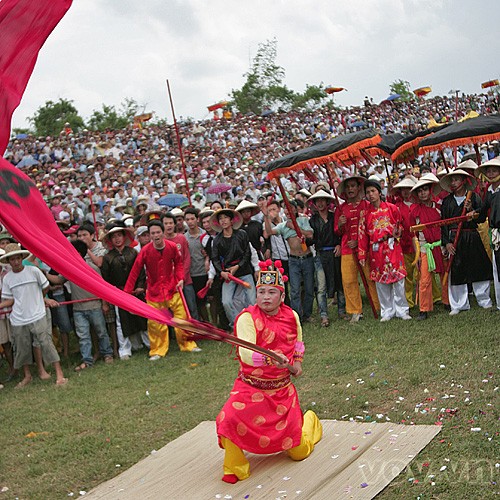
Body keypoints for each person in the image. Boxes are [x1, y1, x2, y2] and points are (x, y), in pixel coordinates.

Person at [216, 260, 322, 484]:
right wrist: (271, 357)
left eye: (271, 292)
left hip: (282, 393)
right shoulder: (247, 318)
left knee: (299, 453)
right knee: (228, 419)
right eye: (261, 291)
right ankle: (235, 466)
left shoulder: (291, 316)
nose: (265, 297)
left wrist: (295, 364)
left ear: (281, 296)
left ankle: (309, 421)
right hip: (250, 388)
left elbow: (298, 347)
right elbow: (246, 354)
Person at [124, 220, 200, 359]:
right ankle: (158, 350)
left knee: (182, 318)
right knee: (155, 323)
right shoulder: (145, 251)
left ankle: (188, 345)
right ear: (150, 235)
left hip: (173, 289)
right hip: (154, 292)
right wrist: (127, 292)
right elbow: (135, 270)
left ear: (163, 233)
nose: (156, 235)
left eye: (158, 232)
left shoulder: (171, 247)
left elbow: (178, 263)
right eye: (153, 233)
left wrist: (180, 278)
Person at [0, 244, 67, 388]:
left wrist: (40, 300)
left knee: (47, 343)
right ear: (9, 261)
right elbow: (10, 299)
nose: (16, 262)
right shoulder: (7, 279)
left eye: (18, 258)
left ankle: (59, 374)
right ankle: (27, 375)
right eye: (12, 259)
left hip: (37, 313)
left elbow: (45, 287)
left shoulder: (33, 271)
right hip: (18, 317)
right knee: (21, 347)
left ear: (22, 258)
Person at [46, 240, 114, 370]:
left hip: (94, 305)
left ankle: (107, 354)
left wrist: (104, 304)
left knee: (101, 332)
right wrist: (44, 273)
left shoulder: (92, 268)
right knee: (83, 336)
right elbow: (58, 280)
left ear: (78, 253)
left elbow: (102, 287)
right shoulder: (69, 269)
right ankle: (87, 360)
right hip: (78, 309)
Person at [439, 169, 493, 315]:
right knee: (456, 270)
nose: (453, 183)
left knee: (478, 266)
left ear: (463, 181)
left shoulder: (473, 197)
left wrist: (472, 210)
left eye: (456, 180)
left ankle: (483, 299)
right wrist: (447, 243)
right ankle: (459, 303)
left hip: (471, 235)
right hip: (454, 238)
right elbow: (443, 224)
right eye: (452, 180)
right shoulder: (447, 202)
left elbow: (481, 215)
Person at [358, 180, 411, 322]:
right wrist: (362, 253)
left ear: (379, 192)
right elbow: (362, 234)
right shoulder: (365, 213)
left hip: (392, 245)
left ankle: (402, 310)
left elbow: (401, 225)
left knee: (398, 279)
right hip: (376, 249)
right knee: (381, 282)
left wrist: (398, 231)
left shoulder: (392, 208)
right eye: (368, 192)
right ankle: (387, 311)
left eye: (373, 191)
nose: (370, 195)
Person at [335, 175, 380, 323]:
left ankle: (378, 306)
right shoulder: (341, 209)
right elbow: (337, 231)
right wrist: (341, 224)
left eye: (353, 186)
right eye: (348, 187)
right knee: (348, 280)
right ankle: (355, 310)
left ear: (358, 188)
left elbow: (372, 225)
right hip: (347, 249)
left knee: (370, 278)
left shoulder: (366, 205)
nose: (350, 189)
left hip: (365, 249)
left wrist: (360, 241)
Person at [101, 223, 149, 358]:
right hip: (119, 294)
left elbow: (141, 271)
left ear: (124, 236)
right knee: (121, 322)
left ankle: (149, 343)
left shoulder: (133, 252)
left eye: (119, 235)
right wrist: (112, 294)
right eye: (114, 237)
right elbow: (106, 280)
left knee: (142, 317)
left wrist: (140, 286)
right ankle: (125, 350)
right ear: (110, 240)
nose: (117, 239)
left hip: (136, 291)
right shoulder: (108, 258)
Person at [263, 200, 315, 322]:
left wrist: (297, 229)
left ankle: (307, 314)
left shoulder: (303, 220)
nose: (287, 211)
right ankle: (297, 316)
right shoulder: (283, 225)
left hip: (307, 258)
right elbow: (269, 232)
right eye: (285, 208)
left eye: (290, 208)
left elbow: (310, 234)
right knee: (295, 289)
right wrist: (266, 216)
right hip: (293, 260)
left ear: (296, 209)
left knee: (308, 288)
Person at [409, 177, 449, 320]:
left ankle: (447, 301)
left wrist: (445, 245)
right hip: (425, 248)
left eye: (425, 189)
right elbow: (413, 234)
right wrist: (417, 253)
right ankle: (424, 308)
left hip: (440, 246)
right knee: (424, 279)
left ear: (430, 190)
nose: (422, 193)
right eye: (419, 191)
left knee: (445, 275)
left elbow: (445, 227)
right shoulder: (415, 211)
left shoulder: (439, 208)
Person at [210, 208, 257, 327]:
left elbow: (247, 253)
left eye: (225, 217)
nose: (223, 221)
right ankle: (236, 324)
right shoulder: (217, 240)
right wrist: (221, 272)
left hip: (245, 271)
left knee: (252, 300)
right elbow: (214, 259)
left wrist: (238, 266)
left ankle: (255, 323)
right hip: (228, 275)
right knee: (226, 302)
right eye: (220, 219)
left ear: (231, 220)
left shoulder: (242, 234)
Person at [308, 189, 345, 325]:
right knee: (321, 286)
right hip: (320, 255)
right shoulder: (312, 221)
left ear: (327, 202)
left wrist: (340, 244)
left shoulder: (335, 216)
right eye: (317, 201)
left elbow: (341, 233)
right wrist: (305, 237)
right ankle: (324, 315)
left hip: (335, 252)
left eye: (323, 200)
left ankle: (342, 310)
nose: (320, 203)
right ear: (314, 203)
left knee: (339, 282)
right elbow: (310, 240)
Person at [475, 158, 500, 310]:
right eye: (488, 171)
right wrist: (473, 211)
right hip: (496, 233)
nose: (491, 174)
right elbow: (482, 212)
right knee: (497, 267)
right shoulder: (490, 192)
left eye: (494, 170)